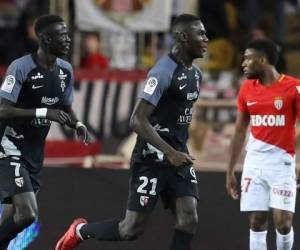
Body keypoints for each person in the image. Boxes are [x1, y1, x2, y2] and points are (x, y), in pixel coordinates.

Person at [55, 13, 208, 250]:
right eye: (201, 33)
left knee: (189, 219)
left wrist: (177, 151)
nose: (206, 39)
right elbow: (137, 120)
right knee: (131, 229)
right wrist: (169, 152)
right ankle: (80, 230)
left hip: (178, 157)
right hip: (151, 158)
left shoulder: (196, 75)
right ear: (183, 37)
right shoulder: (163, 72)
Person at [0, 14, 90, 249]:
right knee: (28, 214)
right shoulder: (21, 67)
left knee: (10, 220)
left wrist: (78, 124)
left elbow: (66, 106)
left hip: (34, 154)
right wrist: (43, 112)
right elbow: (3, 110)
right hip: (8, 146)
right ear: (45, 39)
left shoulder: (65, 70)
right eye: (62, 35)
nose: (68, 40)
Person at [226, 39, 300, 250]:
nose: (243, 63)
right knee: (256, 220)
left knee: (284, 223)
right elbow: (240, 131)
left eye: (248, 58)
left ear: (263, 60)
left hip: (283, 162)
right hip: (254, 162)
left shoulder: (294, 87)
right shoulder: (247, 89)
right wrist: (230, 170)